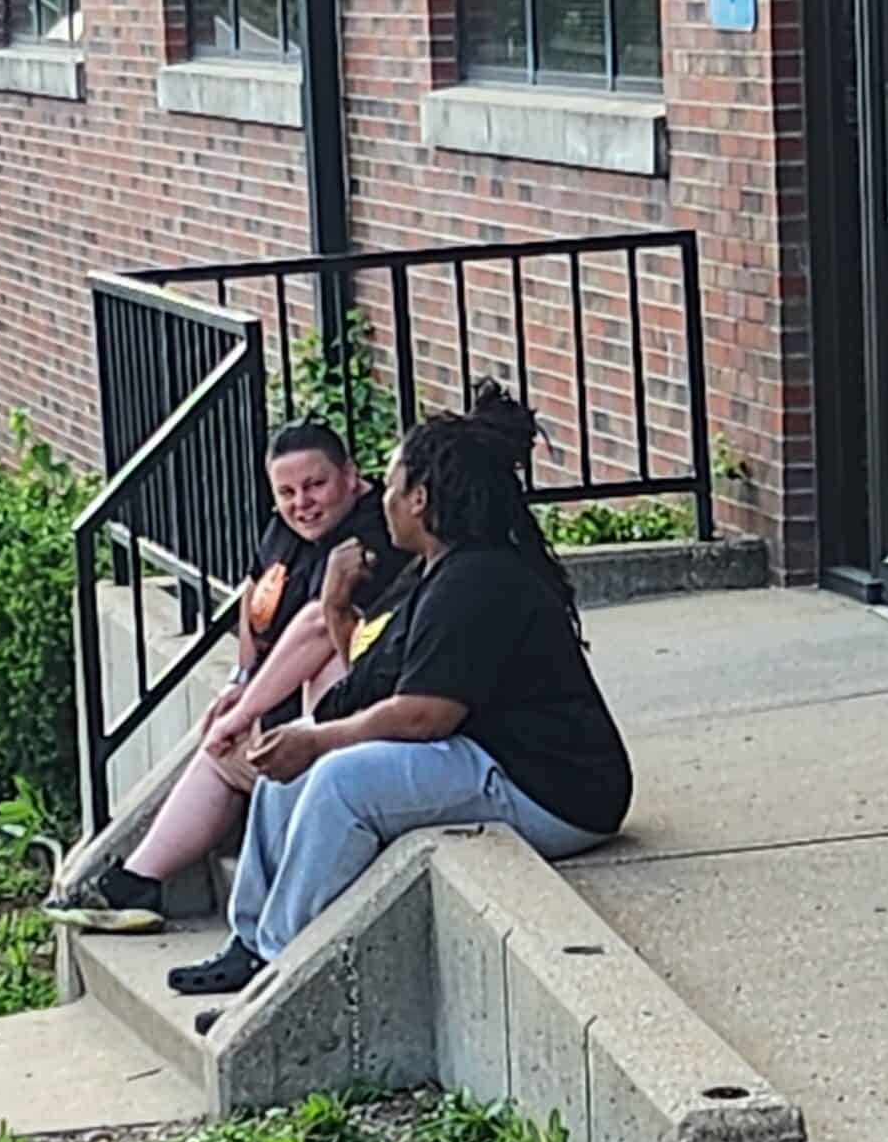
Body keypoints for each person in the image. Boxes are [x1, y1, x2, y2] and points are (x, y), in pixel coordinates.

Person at [167, 387, 632, 997]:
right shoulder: (437, 571)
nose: (382, 501)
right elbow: (371, 679)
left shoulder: (480, 580)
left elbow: (425, 716)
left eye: (390, 486)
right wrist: (334, 610)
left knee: (341, 780)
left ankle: (281, 974)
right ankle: (252, 943)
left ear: (420, 497)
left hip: (555, 792)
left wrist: (320, 739)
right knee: (303, 769)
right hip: (487, 760)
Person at [45, 420, 407, 932]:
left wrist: (244, 710)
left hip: (358, 725)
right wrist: (239, 679)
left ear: (350, 476)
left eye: (315, 485)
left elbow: (317, 626)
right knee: (220, 749)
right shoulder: (287, 528)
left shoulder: (375, 533)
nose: (301, 502)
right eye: (286, 491)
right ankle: (137, 882)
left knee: (288, 691)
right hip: (282, 708)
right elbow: (255, 599)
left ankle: (285, 890)